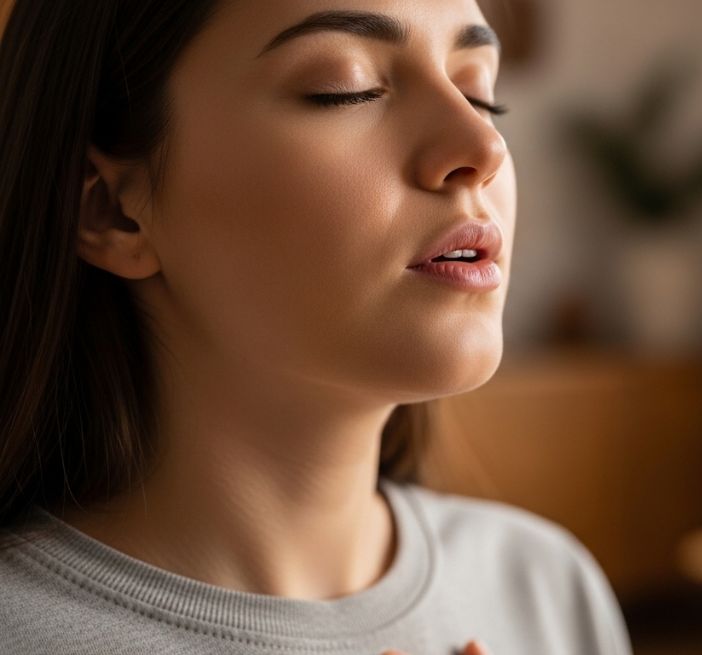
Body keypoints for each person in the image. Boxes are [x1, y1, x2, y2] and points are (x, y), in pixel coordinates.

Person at [0, 1, 633, 654]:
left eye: (479, 94)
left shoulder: (546, 591)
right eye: (346, 89)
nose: (483, 146)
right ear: (110, 211)